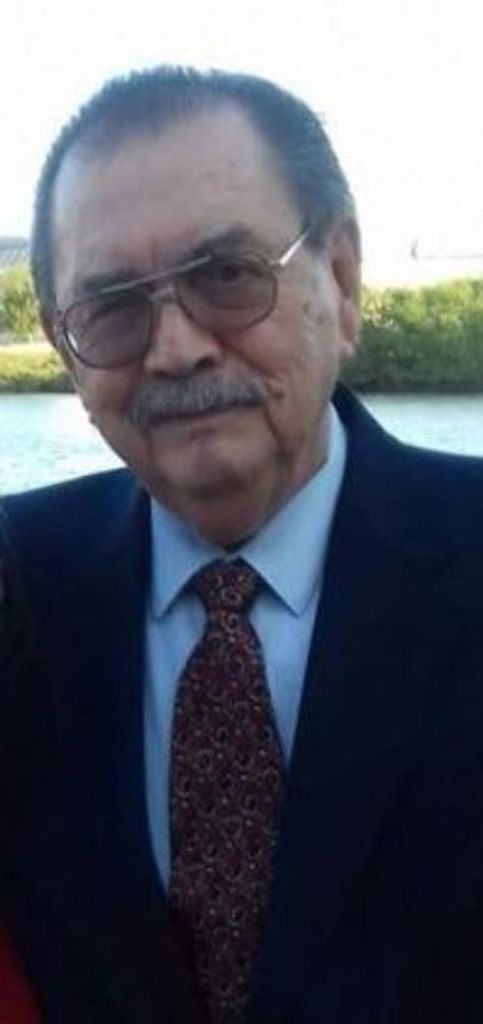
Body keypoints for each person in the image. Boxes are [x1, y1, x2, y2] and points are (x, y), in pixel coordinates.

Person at [1, 66, 483, 1024]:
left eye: (225, 276)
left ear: (340, 279)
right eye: (113, 305)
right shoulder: (14, 586)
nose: (175, 347)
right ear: (64, 346)